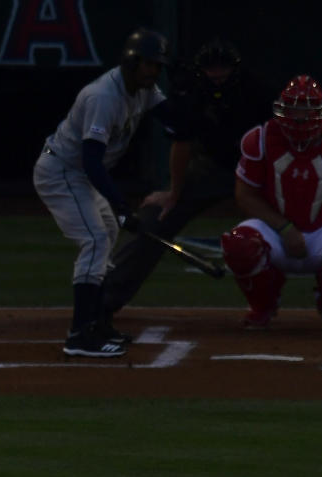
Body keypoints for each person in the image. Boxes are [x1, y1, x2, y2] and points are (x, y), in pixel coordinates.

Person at [101, 37, 271, 322]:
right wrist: (173, 193)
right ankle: (102, 299)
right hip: (213, 166)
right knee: (156, 216)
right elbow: (182, 143)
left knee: (306, 221)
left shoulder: (257, 91)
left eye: (223, 67)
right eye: (210, 68)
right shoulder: (190, 91)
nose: (217, 74)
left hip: (261, 170)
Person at [33, 27, 180, 358]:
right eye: (150, 64)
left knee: (108, 232)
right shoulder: (104, 97)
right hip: (62, 172)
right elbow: (91, 162)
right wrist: (121, 206)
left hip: (78, 174)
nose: (155, 71)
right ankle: (79, 335)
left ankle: (97, 323)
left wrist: (193, 112)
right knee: (96, 239)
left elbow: (171, 116)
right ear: (132, 62)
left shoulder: (144, 89)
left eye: (159, 66)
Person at [221, 75, 322, 328]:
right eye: (295, 108)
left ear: (320, 112)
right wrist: (285, 228)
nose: (300, 116)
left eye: (307, 109)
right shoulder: (262, 139)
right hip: (276, 230)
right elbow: (244, 195)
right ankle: (263, 306)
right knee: (238, 244)